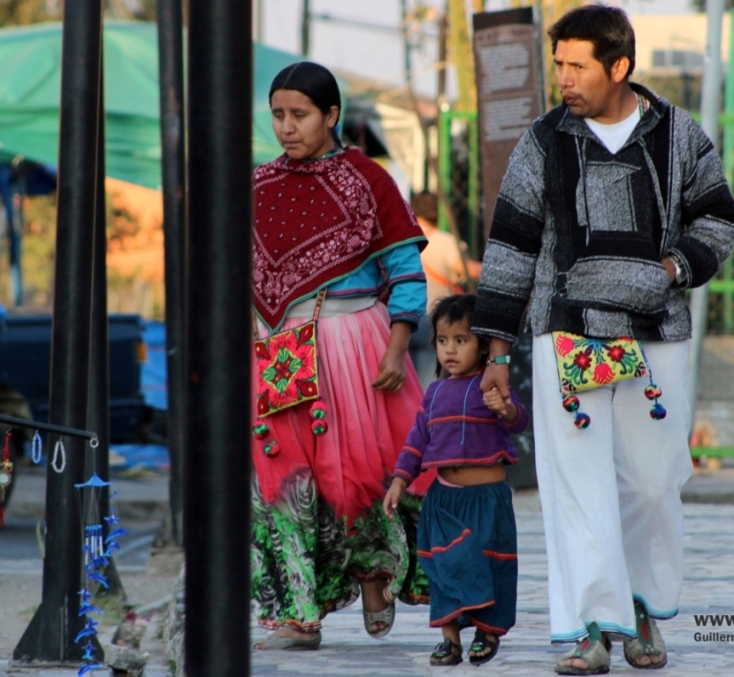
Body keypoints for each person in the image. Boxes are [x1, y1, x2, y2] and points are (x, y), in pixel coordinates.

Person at [472, 6, 734, 675]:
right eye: (558, 64)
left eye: (576, 65)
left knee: (651, 483)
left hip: (658, 336)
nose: (562, 78)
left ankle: (645, 608)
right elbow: (511, 246)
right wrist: (498, 352)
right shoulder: (543, 140)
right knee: (578, 485)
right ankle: (592, 627)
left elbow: (717, 217)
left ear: (619, 66)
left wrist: (676, 267)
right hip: (567, 332)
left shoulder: (677, 135)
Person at [251, 61, 433, 651]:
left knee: (352, 479)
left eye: (299, 115)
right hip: (276, 352)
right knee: (283, 482)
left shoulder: (368, 180)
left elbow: (405, 272)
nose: (286, 127)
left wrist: (397, 343)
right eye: (277, 114)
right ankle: (297, 614)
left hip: (351, 345)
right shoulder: (256, 186)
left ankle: (374, 573)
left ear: (331, 116)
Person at [384, 294, 528, 666]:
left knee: (489, 562)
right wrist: (400, 481)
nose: (449, 350)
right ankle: (450, 639)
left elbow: (518, 420)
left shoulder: (491, 386)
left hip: (487, 501)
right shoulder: (433, 394)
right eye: (443, 341)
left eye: (460, 340)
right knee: (444, 566)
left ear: (482, 346)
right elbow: (416, 442)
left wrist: (506, 408)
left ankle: (486, 631)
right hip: (443, 501)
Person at [408, 191, 482, 387]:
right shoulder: (444, 241)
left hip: (402, 321)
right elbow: (463, 269)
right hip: (432, 318)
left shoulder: (405, 242)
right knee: (427, 384)